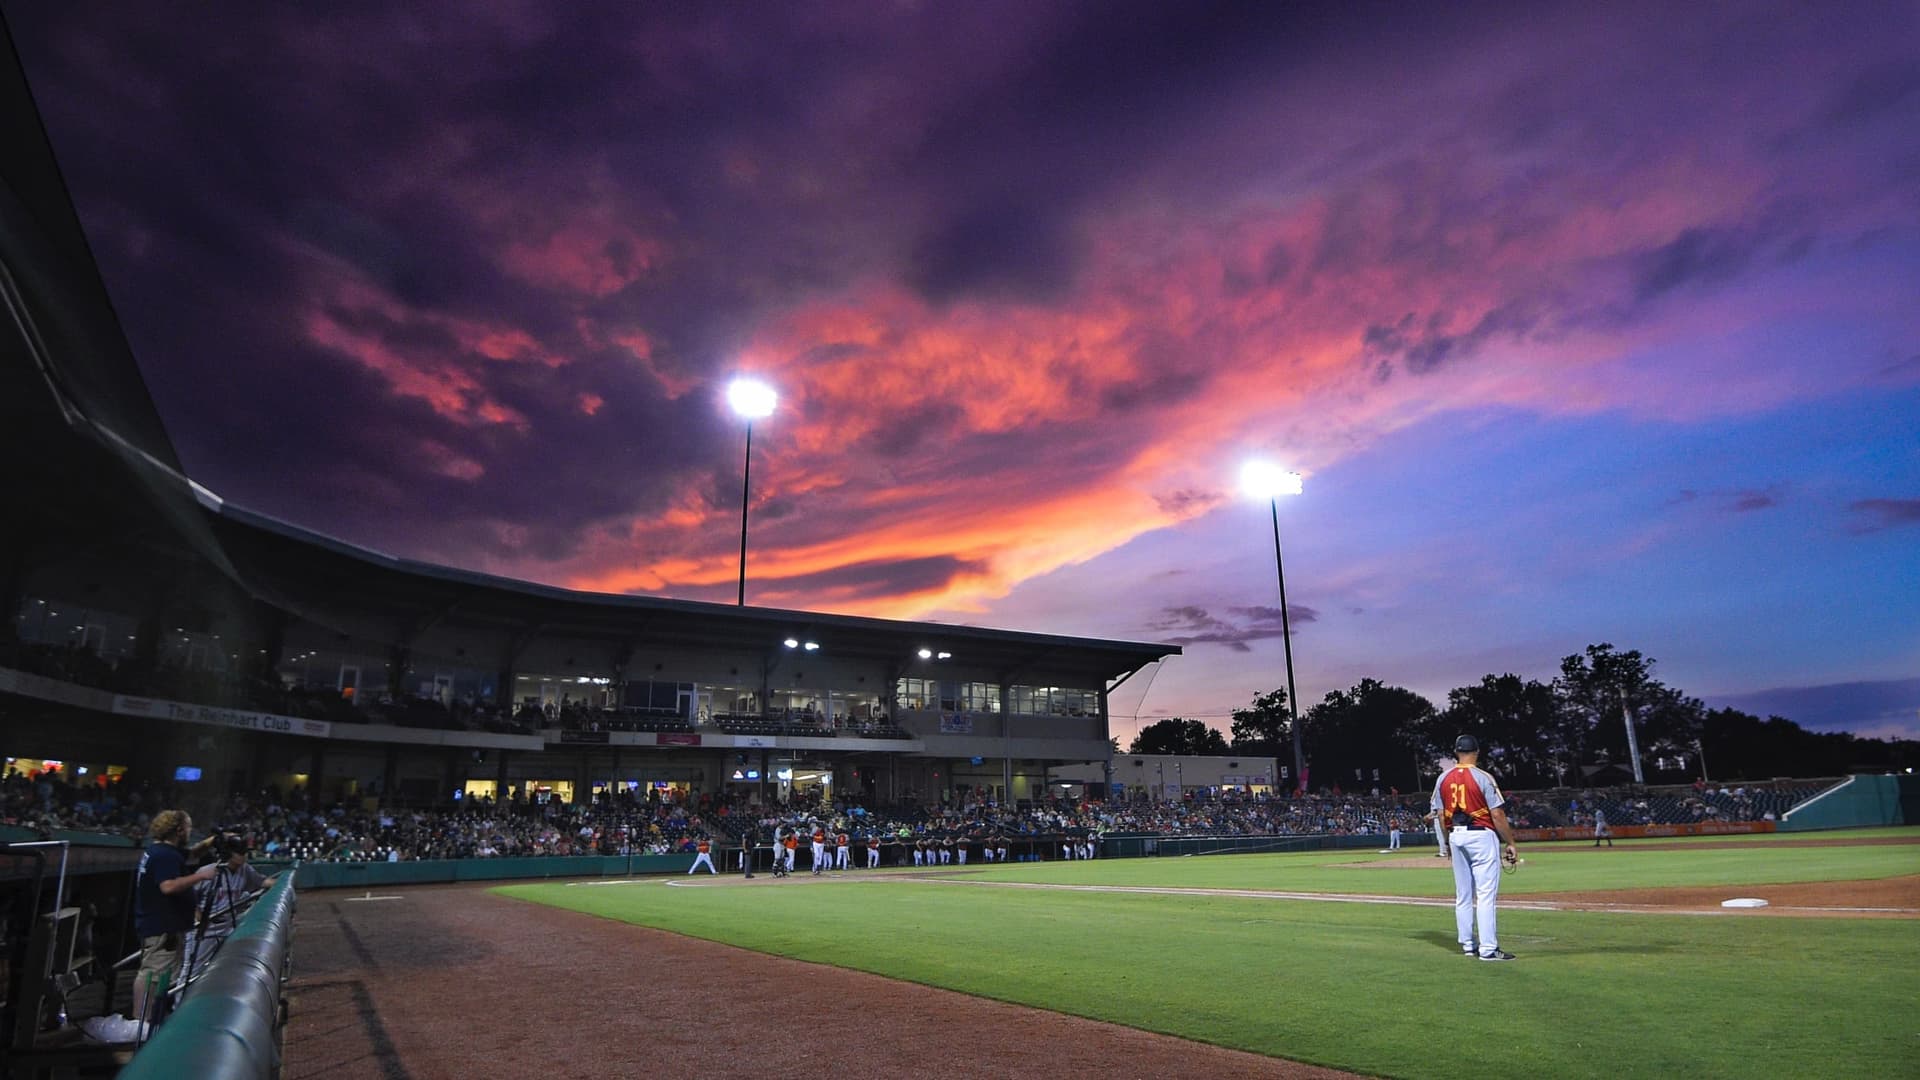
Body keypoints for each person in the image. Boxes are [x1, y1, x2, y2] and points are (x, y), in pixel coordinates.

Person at [1431, 735, 1518, 962]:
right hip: (1481, 835)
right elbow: (1497, 814)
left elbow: (1441, 815)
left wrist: (1448, 841)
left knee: (1463, 894)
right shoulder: (1483, 777)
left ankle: (1468, 945)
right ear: (1476, 752)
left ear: (1456, 752)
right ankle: (1488, 949)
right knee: (1485, 895)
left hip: (1456, 835)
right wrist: (1510, 842)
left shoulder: (1443, 778)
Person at [132, 811, 220, 1030]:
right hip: (163, 928)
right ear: (179, 829)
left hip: (161, 925)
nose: (190, 831)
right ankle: (142, 1026)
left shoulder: (161, 850)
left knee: (156, 974)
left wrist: (214, 840)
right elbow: (168, 886)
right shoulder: (165, 856)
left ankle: (148, 1022)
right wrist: (201, 875)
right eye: (188, 827)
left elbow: (190, 854)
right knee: (153, 974)